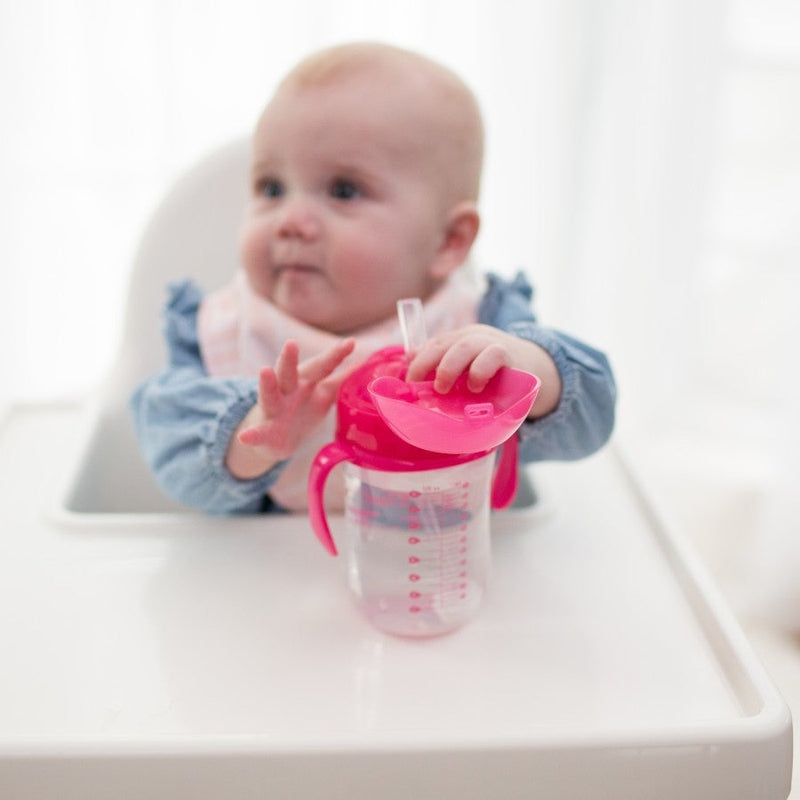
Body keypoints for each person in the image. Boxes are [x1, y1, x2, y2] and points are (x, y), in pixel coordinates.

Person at [130, 41, 616, 514]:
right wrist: (256, 434)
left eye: (343, 190)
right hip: (272, 580)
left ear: (448, 242)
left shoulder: (483, 324)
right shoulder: (222, 328)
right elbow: (167, 449)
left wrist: (526, 369)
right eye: (271, 187)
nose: (290, 220)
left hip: (441, 573)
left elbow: (593, 418)